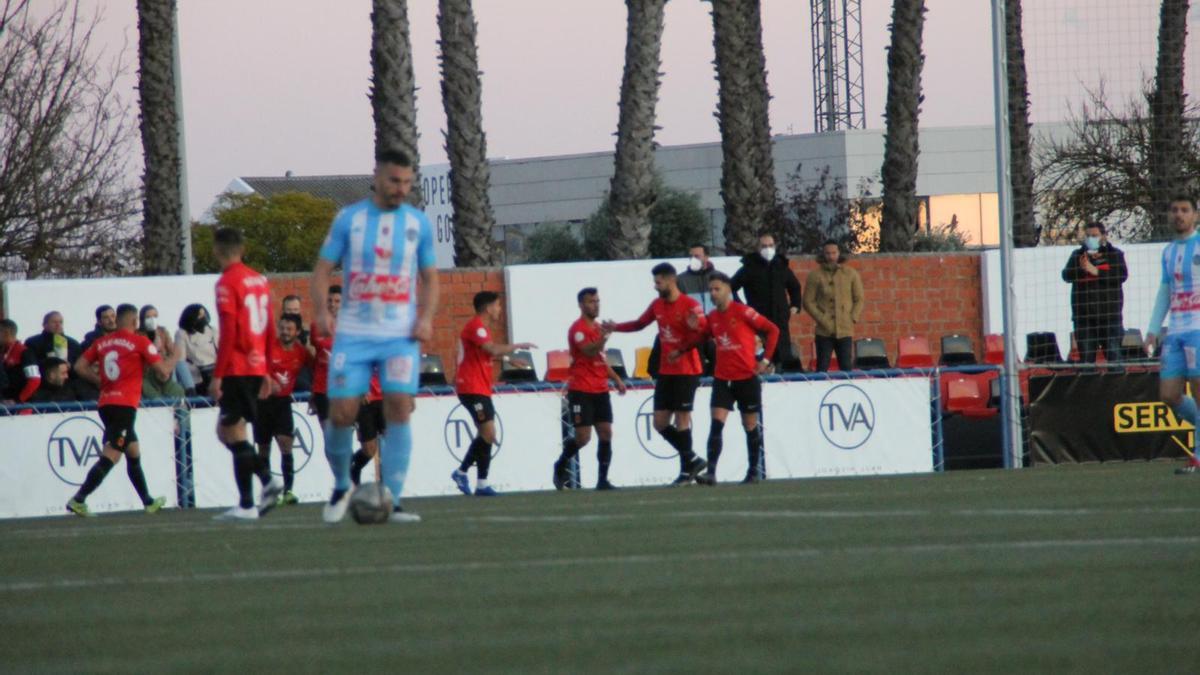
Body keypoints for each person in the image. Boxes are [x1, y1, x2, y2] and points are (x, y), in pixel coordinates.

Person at [312, 149, 439, 524]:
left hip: (399, 335)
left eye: (406, 182)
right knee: (341, 412)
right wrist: (321, 311)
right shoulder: (348, 219)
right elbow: (321, 271)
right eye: (394, 181)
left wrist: (426, 316)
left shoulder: (418, 224)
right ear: (377, 177)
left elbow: (431, 277)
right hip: (353, 334)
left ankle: (394, 501)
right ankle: (340, 484)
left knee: (399, 406)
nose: (401, 189)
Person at [67, 303, 179, 517]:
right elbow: (164, 372)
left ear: (117, 320)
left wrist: (100, 382)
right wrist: (176, 355)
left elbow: (79, 366)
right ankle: (78, 499)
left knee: (133, 452)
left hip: (107, 403)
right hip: (124, 406)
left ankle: (148, 501)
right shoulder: (139, 341)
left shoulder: (102, 342)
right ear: (136, 321)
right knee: (113, 455)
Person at [603, 262, 708, 485]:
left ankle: (685, 472)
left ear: (671, 280)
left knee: (682, 418)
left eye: (658, 282)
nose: (655, 286)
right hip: (665, 371)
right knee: (659, 423)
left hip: (687, 370)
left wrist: (692, 330)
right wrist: (615, 327)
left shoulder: (690, 305)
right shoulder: (658, 305)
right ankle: (692, 459)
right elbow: (640, 324)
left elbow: (703, 334)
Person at [675, 272, 778, 485]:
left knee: (749, 424)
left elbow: (773, 330)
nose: (713, 293)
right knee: (716, 423)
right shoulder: (712, 317)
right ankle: (711, 473)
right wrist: (683, 346)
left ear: (728, 289)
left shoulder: (743, 312)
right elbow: (701, 336)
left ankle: (753, 471)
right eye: (710, 290)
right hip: (723, 379)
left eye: (717, 289)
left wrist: (765, 360)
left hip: (746, 377)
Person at [210, 227, 284, 521]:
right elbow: (269, 326)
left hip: (237, 367)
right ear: (243, 248)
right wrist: (266, 368)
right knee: (225, 432)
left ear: (218, 249)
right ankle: (261, 487)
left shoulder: (228, 282)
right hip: (254, 366)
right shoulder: (259, 279)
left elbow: (229, 330)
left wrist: (218, 374)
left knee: (233, 431)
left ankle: (253, 496)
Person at [450, 291, 537, 496]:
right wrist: (516, 347)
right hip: (470, 387)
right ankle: (462, 472)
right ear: (488, 308)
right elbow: (492, 349)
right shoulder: (476, 327)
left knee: (487, 434)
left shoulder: (482, 329)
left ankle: (480, 483)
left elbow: (484, 354)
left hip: (480, 387)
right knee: (488, 432)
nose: (499, 309)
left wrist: (509, 360)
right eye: (497, 306)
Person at [553, 287, 627, 491]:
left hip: (601, 389)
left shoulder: (597, 327)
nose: (595, 305)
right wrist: (604, 337)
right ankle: (560, 464)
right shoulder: (577, 329)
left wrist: (617, 379)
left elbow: (601, 358)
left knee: (606, 433)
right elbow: (589, 351)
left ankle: (602, 480)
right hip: (581, 389)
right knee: (583, 437)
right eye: (591, 301)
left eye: (597, 301)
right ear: (581, 305)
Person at [1147, 195, 1200, 475]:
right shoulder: (1168, 252)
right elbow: (1165, 292)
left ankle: (1198, 455)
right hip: (1175, 331)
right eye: (1174, 210)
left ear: (1195, 215)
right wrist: (1153, 330)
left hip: (1198, 329)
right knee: (1169, 395)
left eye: (1184, 210)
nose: (1178, 215)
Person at [253, 313, 314, 506]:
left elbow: (316, 369)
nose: (285, 332)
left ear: (297, 332)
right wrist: (268, 381)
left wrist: (314, 393)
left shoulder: (302, 352)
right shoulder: (269, 347)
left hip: (282, 403)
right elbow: (256, 367)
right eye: (283, 328)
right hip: (263, 402)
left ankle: (288, 491)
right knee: (263, 448)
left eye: (289, 329)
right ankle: (269, 490)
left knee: (286, 444)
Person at [731, 233, 802, 370]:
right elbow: (730, 288)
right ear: (758, 248)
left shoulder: (781, 266)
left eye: (770, 246)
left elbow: (795, 287)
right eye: (764, 246)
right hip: (758, 319)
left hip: (780, 318)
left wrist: (795, 305)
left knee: (782, 354)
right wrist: (742, 307)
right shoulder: (749, 268)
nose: (767, 249)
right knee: (760, 353)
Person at [1062, 222, 1128, 363]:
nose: (1091, 238)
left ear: (1103, 236)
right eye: (1088, 236)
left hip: (1110, 319)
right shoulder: (1077, 255)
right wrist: (1082, 268)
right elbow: (1066, 275)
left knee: (1114, 359)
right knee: (1087, 363)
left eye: (1094, 235)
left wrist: (1096, 271)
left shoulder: (1114, 254)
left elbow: (1121, 275)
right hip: (1084, 320)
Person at [804, 240, 865, 372]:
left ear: (839, 254)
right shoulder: (815, 275)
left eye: (834, 253)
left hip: (845, 329)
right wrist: (822, 318)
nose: (831, 256)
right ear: (823, 255)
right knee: (822, 367)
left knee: (846, 367)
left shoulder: (850, 274)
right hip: (824, 330)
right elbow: (808, 301)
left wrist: (852, 317)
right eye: (827, 253)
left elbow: (859, 299)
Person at [676, 243, 717, 375]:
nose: (693, 259)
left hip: (715, 333)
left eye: (697, 256)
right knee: (697, 368)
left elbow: (728, 307)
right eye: (691, 256)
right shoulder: (681, 280)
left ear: (706, 257)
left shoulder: (719, 278)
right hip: (693, 333)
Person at [307, 285, 342, 427]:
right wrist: (313, 391)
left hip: (344, 388)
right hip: (322, 388)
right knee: (328, 435)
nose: (332, 304)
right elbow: (315, 358)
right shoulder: (316, 326)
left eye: (337, 301)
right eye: (330, 300)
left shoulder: (351, 327)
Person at [139, 304, 185, 400]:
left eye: (155, 316)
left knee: (177, 364)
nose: (152, 319)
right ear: (142, 318)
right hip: (147, 370)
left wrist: (167, 362)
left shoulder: (162, 331)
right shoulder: (137, 334)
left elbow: (173, 351)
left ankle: (189, 390)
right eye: (148, 317)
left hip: (164, 367)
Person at [174, 304, 219, 394]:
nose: (203, 317)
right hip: (196, 378)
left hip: (215, 375)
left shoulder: (212, 331)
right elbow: (180, 361)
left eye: (204, 314)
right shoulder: (182, 333)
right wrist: (189, 387)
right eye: (200, 315)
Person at [1, 319, 41, 405]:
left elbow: (34, 380)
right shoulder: (3, 351)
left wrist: (18, 400)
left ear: (6, 333)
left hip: (21, 407)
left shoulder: (25, 352)